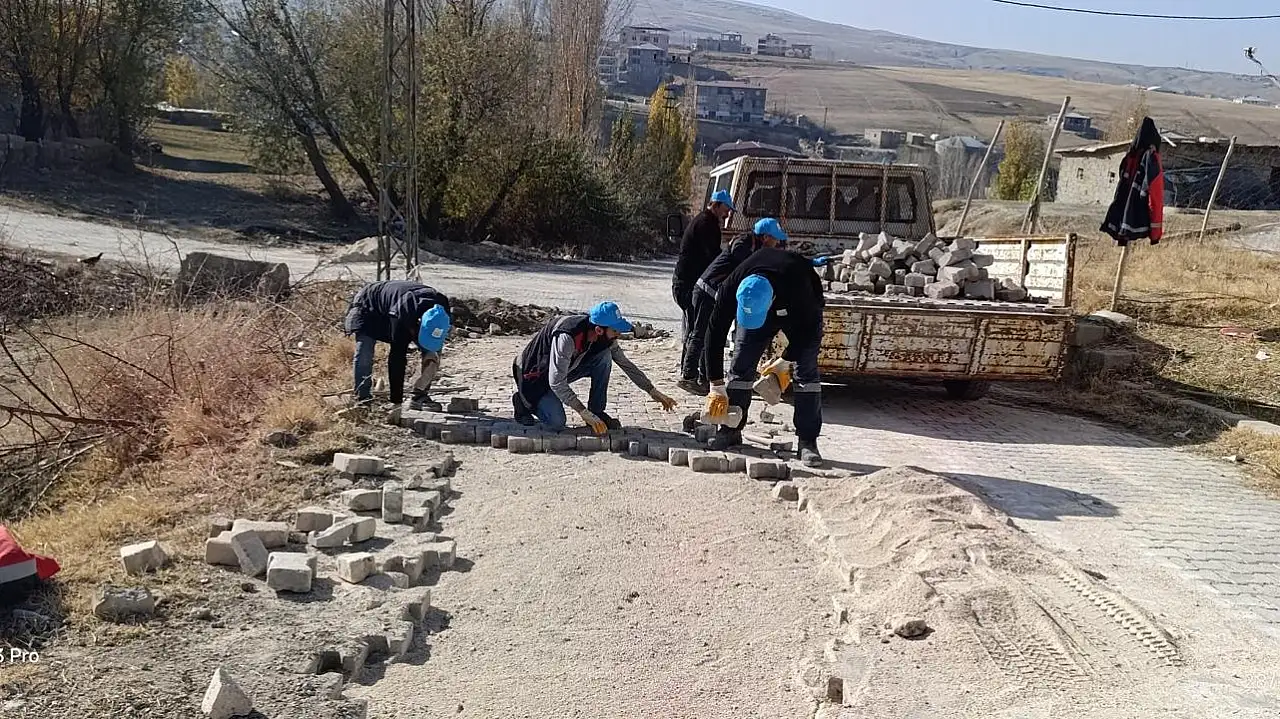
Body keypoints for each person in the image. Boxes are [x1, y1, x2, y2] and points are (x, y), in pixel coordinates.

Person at [702, 247, 827, 467]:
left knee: (805, 371)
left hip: (798, 313)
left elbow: (808, 332)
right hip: (764, 304)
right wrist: (715, 385)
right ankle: (731, 428)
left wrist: (785, 360)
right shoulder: (734, 287)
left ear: (770, 301)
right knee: (741, 364)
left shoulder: (799, 286)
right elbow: (714, 333)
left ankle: (808, 441)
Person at [513, 301, 678, 433]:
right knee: (557, 423)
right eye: (615, 330)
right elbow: (556, 381)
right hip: (533, 376)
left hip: (561, 370)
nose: (618, 334)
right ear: (599, 329)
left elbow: (626, 364)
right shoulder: (567, 336)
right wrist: (582, 411)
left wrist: (652, 390)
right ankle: (522, 402)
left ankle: (597, 411)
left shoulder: (605, 338)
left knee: (604, 358)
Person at [678, 217, 788, 395]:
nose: (777, 243)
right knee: (700, 334)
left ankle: (706, 378)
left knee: (709, 337)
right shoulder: (743, 242)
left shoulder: (754, 246)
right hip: (707, 291)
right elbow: (745, 264)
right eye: (775, 239)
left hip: (715, 295)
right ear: (766, 237)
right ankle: (688, 377)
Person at [343, 280, 452, 410]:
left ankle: (419, 396)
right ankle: (362, 399)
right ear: (416, 327)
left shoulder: (442, 310)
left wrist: (430, 352)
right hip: (369, 304)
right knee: (365, 351)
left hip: (398, 304)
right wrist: (397, 403)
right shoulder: (403, 314)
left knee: (433, 353)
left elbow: (434, 343)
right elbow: (397, 358)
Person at [673, 190, 734, 385]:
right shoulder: (707, 224)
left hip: (687, 284)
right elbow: (713, 257)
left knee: (694, 330)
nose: (727, 214)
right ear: (716, 205)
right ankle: (689, 376)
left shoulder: (704, 221)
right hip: (688, 285)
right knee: (697, 332)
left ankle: (693, 373)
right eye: (726, 209)